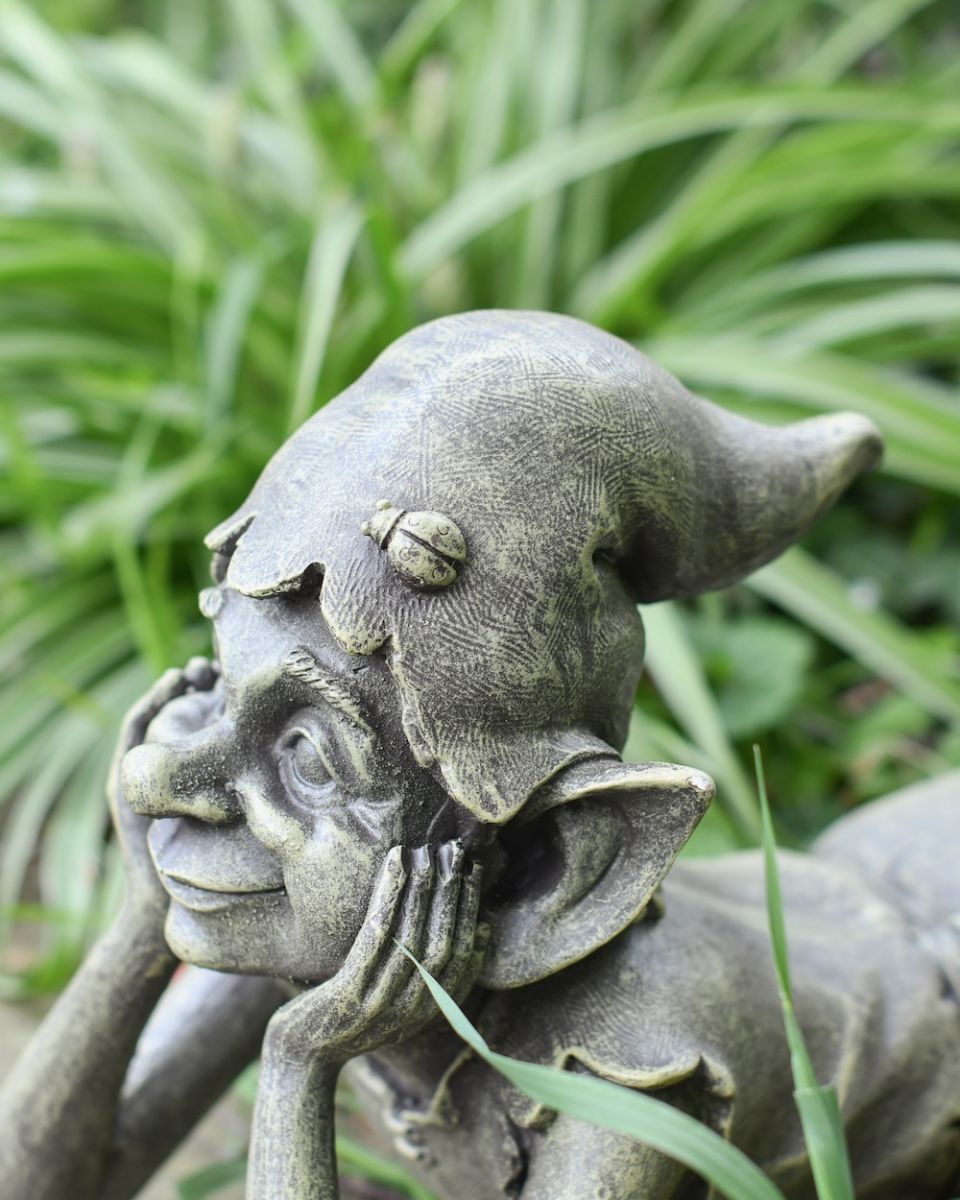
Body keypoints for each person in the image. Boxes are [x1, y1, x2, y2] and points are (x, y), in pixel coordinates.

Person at [1, 311, 957, 1200]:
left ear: (548, 866)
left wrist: (300, 1066)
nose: (157, 777)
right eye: (214, 688)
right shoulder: (317, 911)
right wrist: (142, 923)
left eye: (312, 762)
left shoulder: (626, 1080)